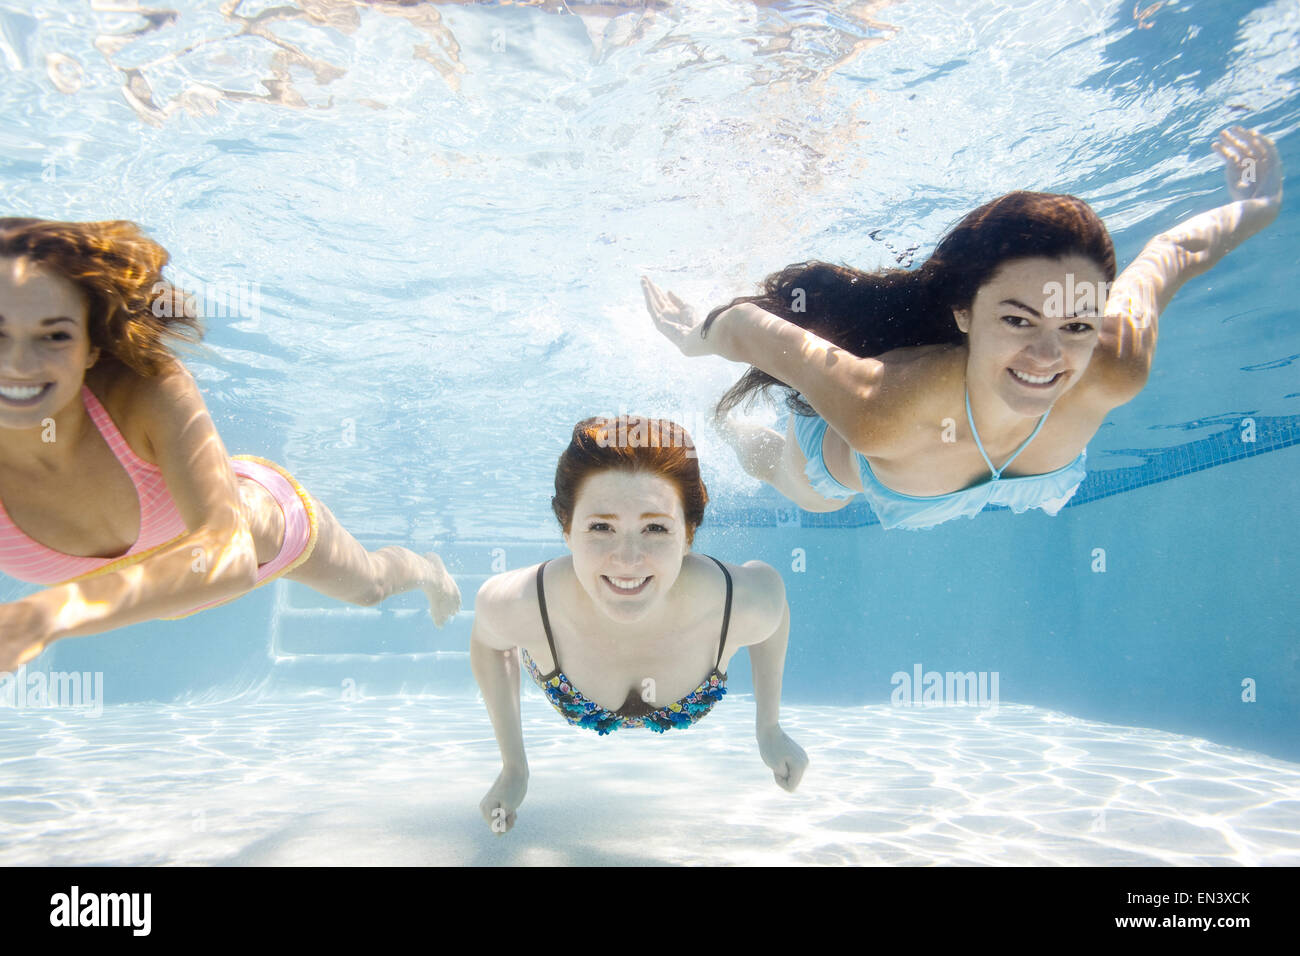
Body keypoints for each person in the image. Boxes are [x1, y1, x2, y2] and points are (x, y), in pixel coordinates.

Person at [643, 126, 1284, 530]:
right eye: (1016, 317)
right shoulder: (882, 408)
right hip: (844, 462)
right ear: (963, 314)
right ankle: (730, 429)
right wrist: (693, 337)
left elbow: (1174, 255)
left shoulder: (1114, 362)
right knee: (804, 490)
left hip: (990, 466)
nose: (1048, 353)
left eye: (1078, 322)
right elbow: (753, 330)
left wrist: (1257, 203)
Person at [0, 218, 461, 672]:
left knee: (370, 588)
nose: (19, 363)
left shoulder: (144, 387)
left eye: (55, 335)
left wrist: (46, 616)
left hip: (262, 531)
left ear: (91, 348)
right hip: (168, 591)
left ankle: (428, 571)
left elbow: (226, 552)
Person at [471, 416, 807, 834]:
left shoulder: (740, 603)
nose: (628, 559)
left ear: (688, 535)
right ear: (567, 531)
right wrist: (514, 766)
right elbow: (489, 645)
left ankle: (729, 424)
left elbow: (773, 612)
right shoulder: (522, 605)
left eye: (654, 527)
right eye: (600, 527)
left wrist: (769, 728)